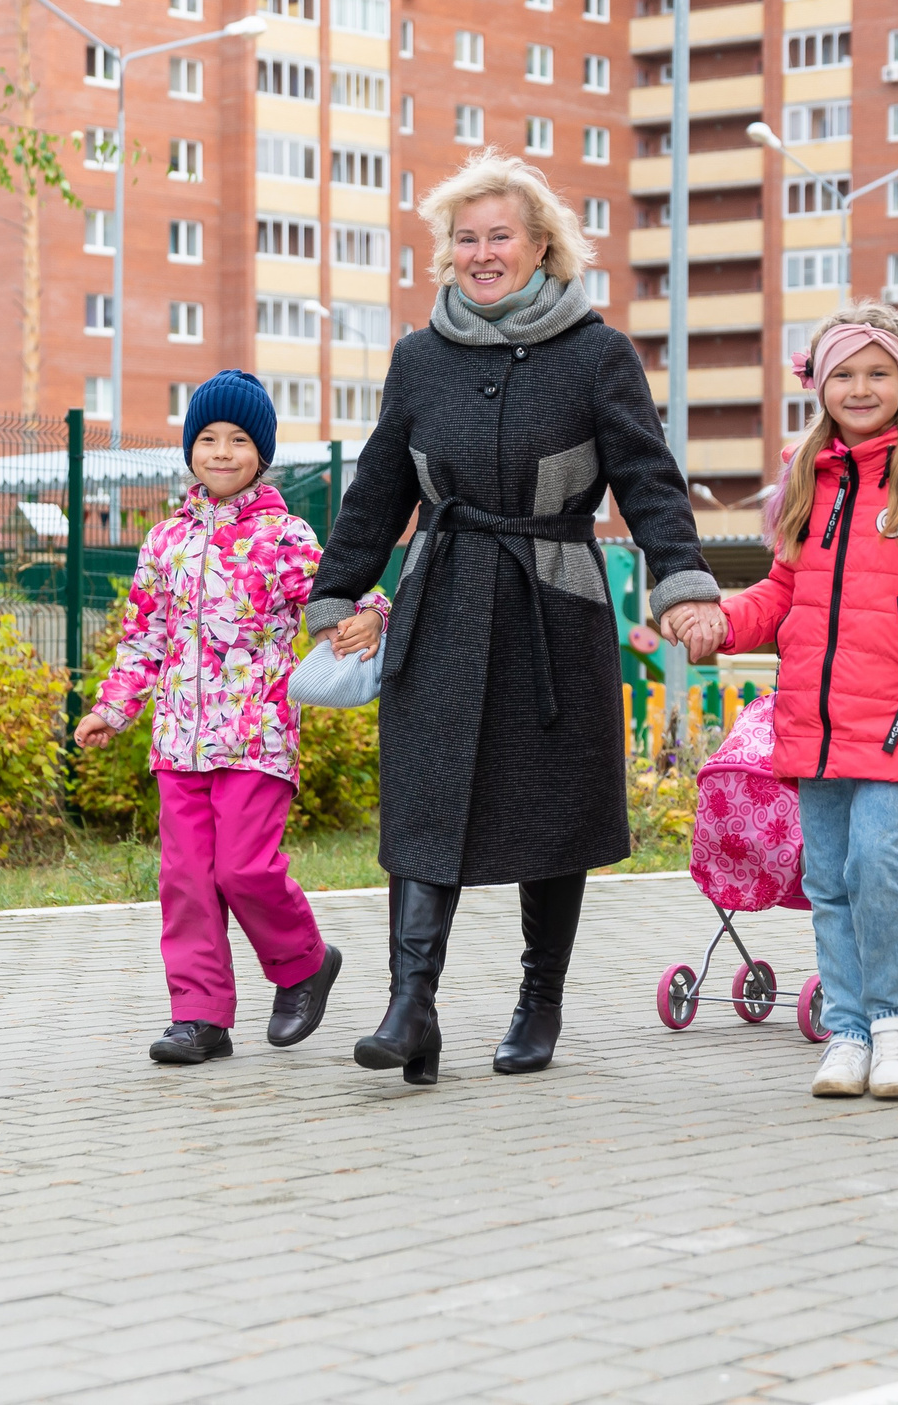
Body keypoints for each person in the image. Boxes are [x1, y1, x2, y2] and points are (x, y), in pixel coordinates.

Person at [305, 151, 723, 1086]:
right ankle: (412, 1005)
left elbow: (649, 480)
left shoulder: (597, 353)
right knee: (424, 800)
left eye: (500, 235)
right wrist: (339, 593)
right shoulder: (418, 358)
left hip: (554, 600)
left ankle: (540, 1000)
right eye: (467, 237)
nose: (483, 252)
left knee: (550, 809)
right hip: (441, 598)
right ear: (447, 253)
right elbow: (378, 489)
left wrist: (683, 582)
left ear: (542, 247)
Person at [719, 304, 898, 1100]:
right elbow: (780, 592)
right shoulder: (806, 477)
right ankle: (846, 1029)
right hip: (815, 717)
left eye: (878, 372)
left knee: (879, 861)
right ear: (819, 383)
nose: (861, 387)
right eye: (845, 373)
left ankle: (896, 1022)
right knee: (832, 875)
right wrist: (719, 622)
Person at [74, 370, 354, 1066]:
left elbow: (335, 594)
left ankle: (303, 965)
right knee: (189, 882)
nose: (222, 451)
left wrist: (365, 616)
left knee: (244, 868)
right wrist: (114, 706)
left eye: (238, 439)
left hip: (256, 739)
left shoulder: (285, 536)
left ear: (261, 452)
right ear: (188, 449)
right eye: (207, 438)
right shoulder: (165, 540)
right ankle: (199, 1016)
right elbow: (144, 636)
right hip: (179, 744)